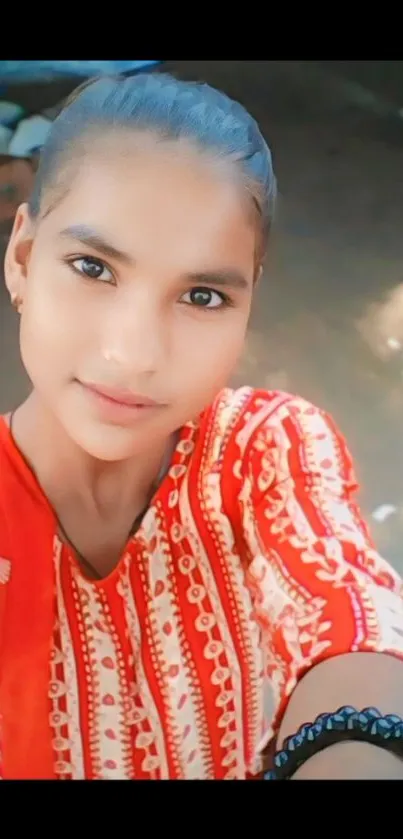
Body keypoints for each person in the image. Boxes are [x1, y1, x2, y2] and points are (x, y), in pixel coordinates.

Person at [1, 72, 403, 782]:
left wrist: (355, 746)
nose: (134, 353)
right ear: (24, 259)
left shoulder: (262, 448)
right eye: (93, 267)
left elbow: (347, 621)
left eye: (202, 295)